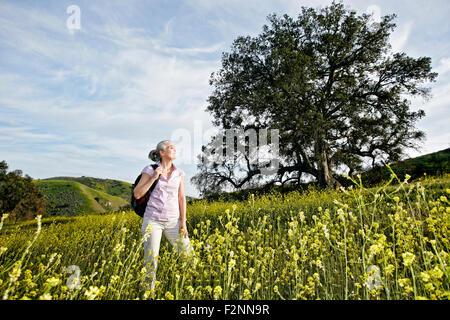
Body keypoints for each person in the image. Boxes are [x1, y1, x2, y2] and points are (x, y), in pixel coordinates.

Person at [133, 140, 194, 295]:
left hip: (173, 222)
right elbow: (137, 193)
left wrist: (183, 223)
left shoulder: (179, 172)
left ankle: (191, 288)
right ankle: (149, 294)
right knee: (151, 261)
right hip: (152, 220)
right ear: (161, 153)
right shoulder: (149, 169)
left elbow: (181, 198)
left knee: (189, 255)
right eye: (170, 147)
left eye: (174, 147)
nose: (174, 149)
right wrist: (154, 177)